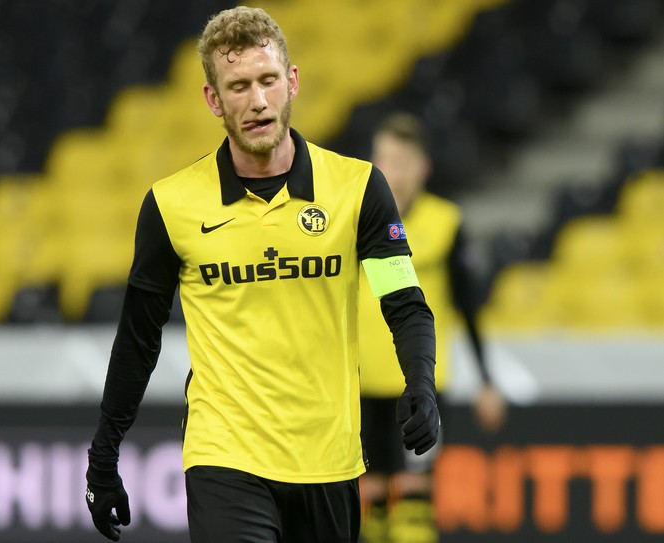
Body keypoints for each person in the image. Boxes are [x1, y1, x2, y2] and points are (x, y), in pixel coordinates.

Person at [85, 7, 439, 542]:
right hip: (225, 457)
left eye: (268, 80)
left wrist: (421, 383)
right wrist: (103, 454)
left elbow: (405, 303)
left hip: (329, 460)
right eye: (238, 86)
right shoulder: (171, 204)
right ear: (213, 99)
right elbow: (139, 338)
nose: (257, 101)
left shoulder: (359, 188)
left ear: (291, 82)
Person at [357, 113, 508, 543]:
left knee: (414, 504)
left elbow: (468, 306)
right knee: (371, 506)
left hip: (418, 384)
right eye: (385, 159)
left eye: (403, 160)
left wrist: (486, 380)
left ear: (423, 167)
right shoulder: (355, 221)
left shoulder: (445, 223)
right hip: (360, 381)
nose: (394, 172)